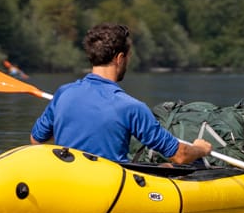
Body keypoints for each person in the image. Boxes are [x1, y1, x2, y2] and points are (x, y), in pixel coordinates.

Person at [30, 23, 213, 167]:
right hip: (111, 189)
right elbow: (180, 155)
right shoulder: (131, 107)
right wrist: (199, 149)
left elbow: (36, 140)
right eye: (128, 56)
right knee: (173, 167)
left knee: (165, 167)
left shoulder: (63, 93)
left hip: (68, 179)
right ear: (120, 58)